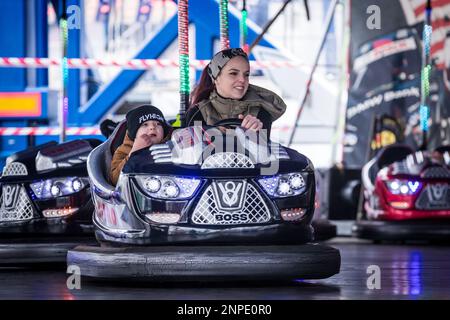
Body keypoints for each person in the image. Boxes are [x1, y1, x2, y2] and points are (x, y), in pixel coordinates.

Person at [186, 47, 287, 136]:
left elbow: (262, 154)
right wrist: (209, 134)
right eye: (233, 73)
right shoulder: (198, 112)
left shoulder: (261, 112)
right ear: (216, 78)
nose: (242, 80)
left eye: (246, 74)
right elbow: (191, 153)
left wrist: (254, 135)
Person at [109, 104, 171, 185]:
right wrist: (134, 152)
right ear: (134, 132)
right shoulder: (123, 150)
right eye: (145, 124)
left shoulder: (171, 146)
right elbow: (115, 180)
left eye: (158, 124)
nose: (152, 127)